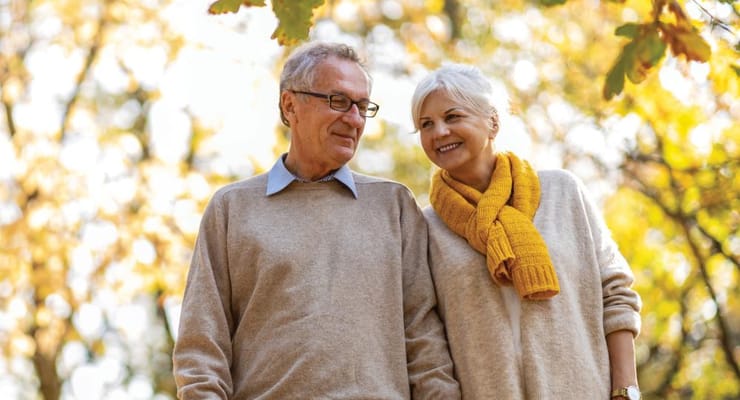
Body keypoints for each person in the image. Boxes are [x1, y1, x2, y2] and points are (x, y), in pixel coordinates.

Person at [172, 41, 460, 399]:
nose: (354, 119)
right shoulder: (232, 208)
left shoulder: (393, 205)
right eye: (338, 101)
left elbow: (424, 337)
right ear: (290, 105)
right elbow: (201, 347)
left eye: (362, 106)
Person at [410, 64, 642, 400]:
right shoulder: (425, 228)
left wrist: (625, 390)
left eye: (452, 116)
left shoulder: (563, 192)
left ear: (493, 121)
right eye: (425, 124)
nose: (439, 132)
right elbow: (423, 336)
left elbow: (615, 292)